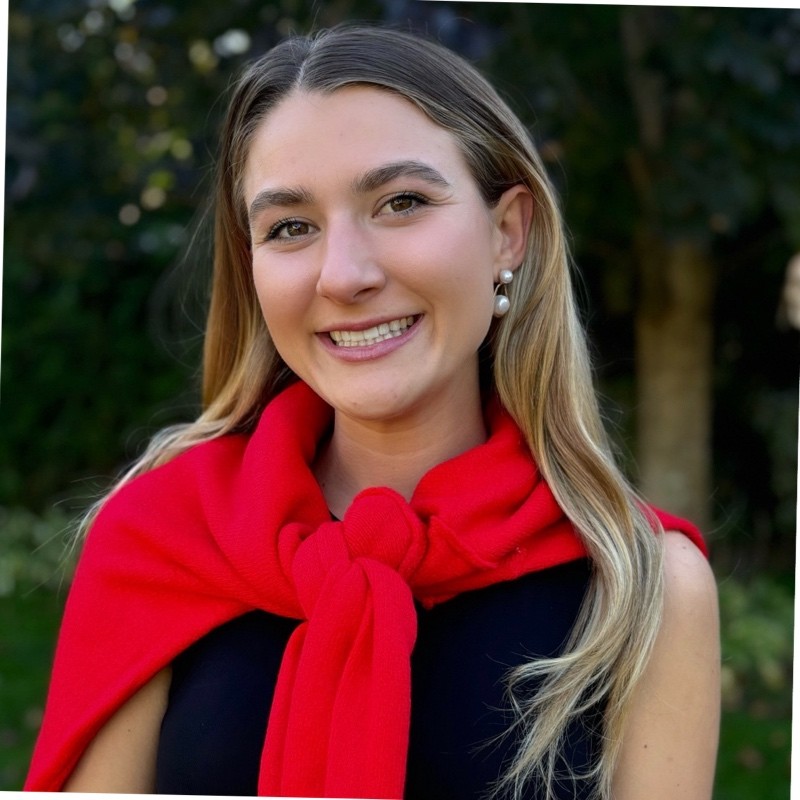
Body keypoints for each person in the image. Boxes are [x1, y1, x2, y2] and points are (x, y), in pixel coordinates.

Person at [25, 25, 719, 800]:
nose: (343, 274)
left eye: (401, 203)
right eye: (290, 226)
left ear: (507, 232)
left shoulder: (645, 590)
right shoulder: (157, 540)